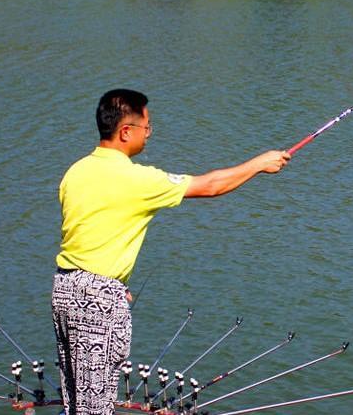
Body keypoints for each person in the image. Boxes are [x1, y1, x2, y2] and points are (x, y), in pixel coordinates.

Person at [51, 88, 289, 415]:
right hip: (98, 300)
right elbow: (211, 185)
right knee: (96, 408)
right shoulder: (136, 179)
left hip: (64, 290)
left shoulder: (75, 172)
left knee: (75, 400)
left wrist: (113, 284)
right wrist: (259, 164)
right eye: (146, 127)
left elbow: (87, 234)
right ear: (125, 131)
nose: (149, 135)